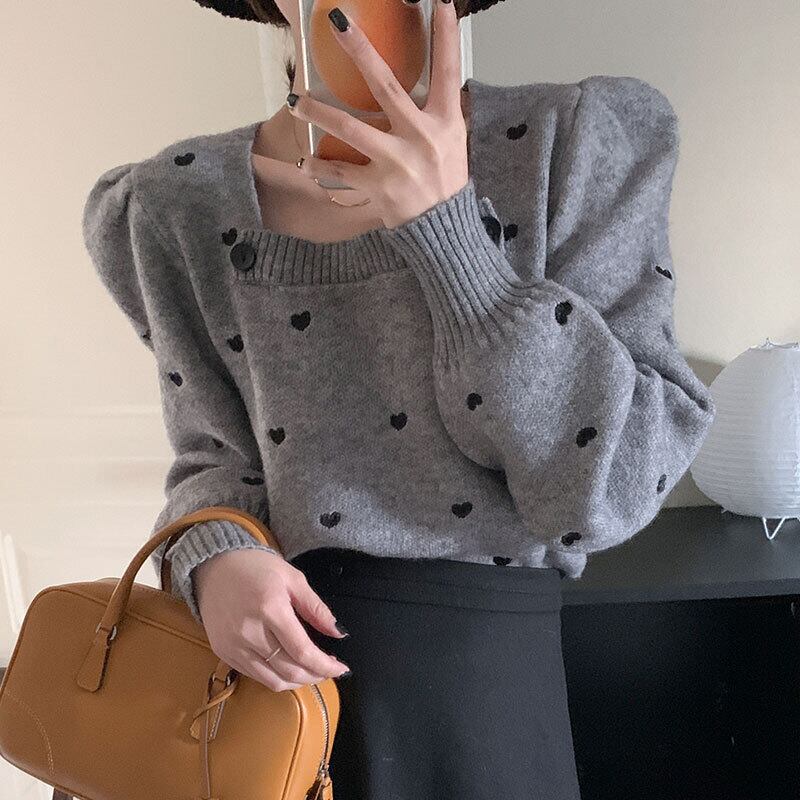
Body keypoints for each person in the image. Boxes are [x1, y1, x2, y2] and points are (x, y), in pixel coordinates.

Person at [81, 0, 717, 796]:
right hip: (271, 713)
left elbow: (610, 491)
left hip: (485, 713)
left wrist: (451, 238)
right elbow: (212, 458)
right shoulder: (177, 203)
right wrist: (214, 555)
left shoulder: (572, 145)